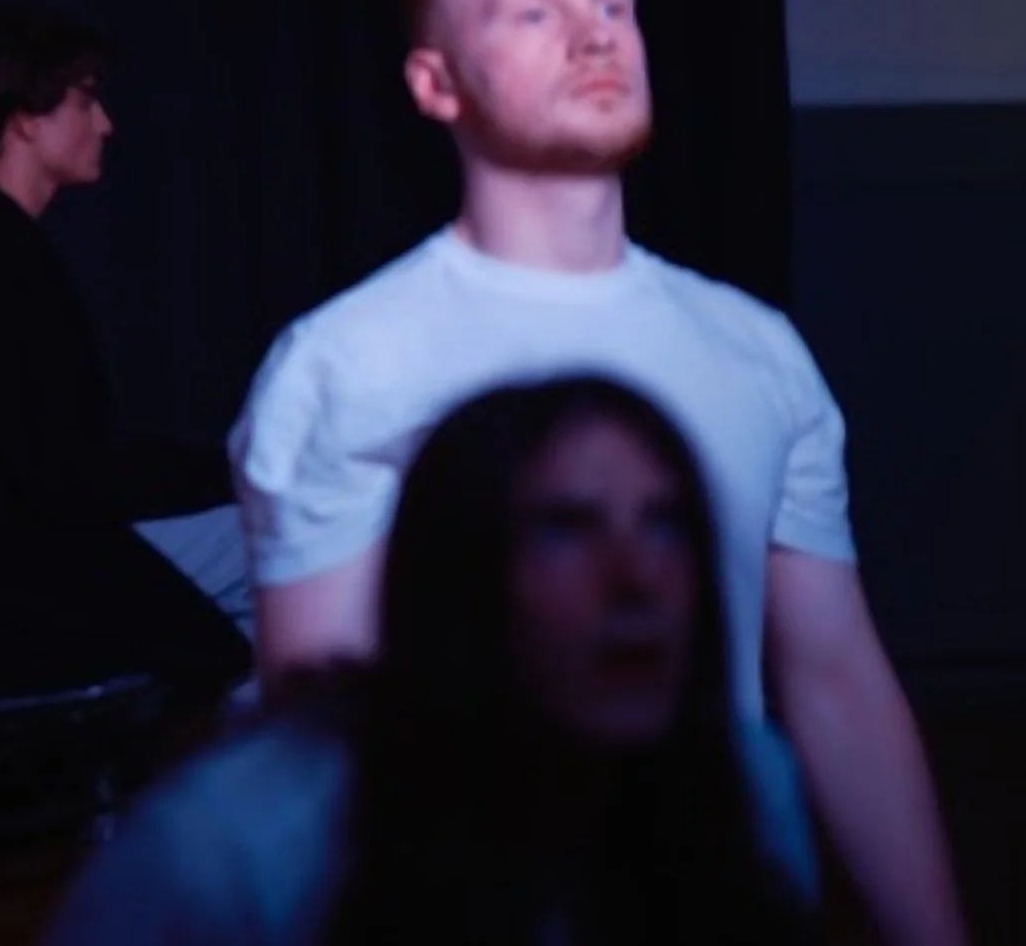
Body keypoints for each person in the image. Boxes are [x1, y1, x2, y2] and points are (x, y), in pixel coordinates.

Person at [227, 0, 969, 946]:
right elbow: (313, 748)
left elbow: (835, 677)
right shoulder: (348, 365)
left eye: (612, 6)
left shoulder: (755, 353)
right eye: (533, 13)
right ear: (434, 83)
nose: (593, 37)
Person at [49, 377, 825, 946]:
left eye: (665, 523)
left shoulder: (750, 783)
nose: (636, 575)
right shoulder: (234, 845)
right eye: (565, 527)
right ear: (461, 570)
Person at [0, 5, 250, 696]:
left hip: (6, 560)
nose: (106, 125)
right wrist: (218, 474)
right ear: (25, 118)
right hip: (12, 574)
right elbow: (59, 475)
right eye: (85, 101)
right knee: (297, 549)